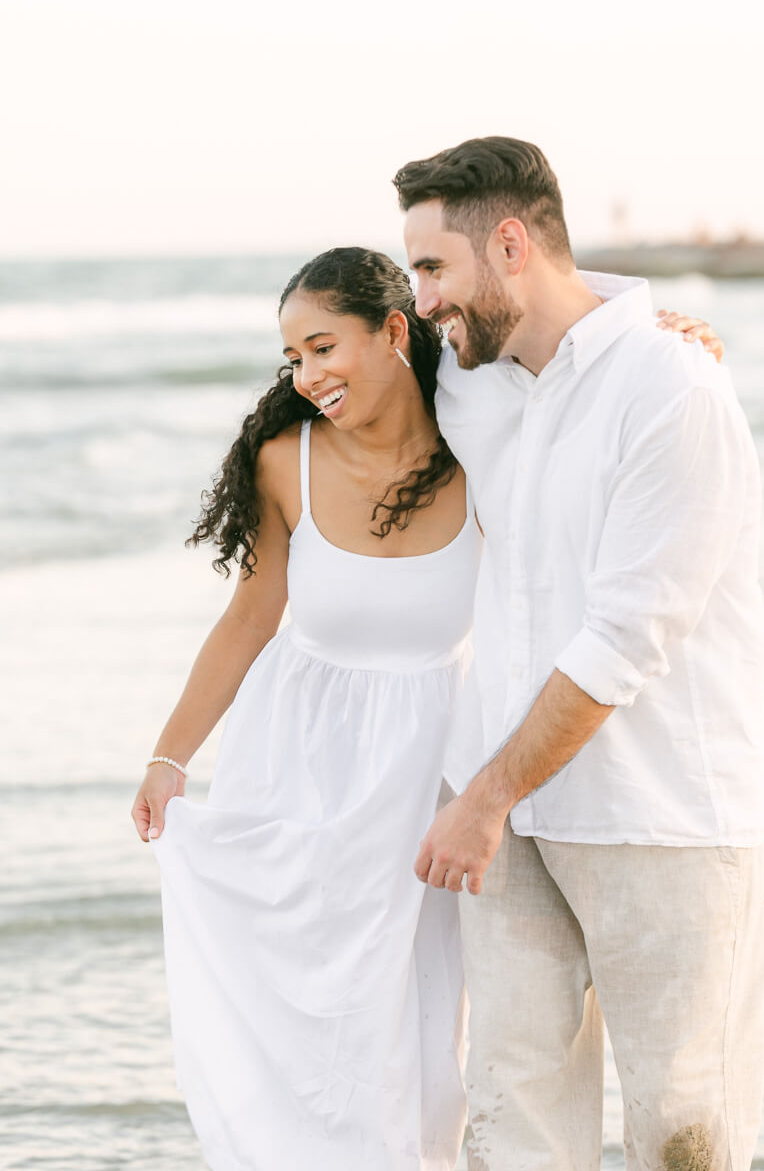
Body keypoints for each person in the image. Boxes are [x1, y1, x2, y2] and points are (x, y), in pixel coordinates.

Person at [131, 244, 720, 1170]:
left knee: (424, 1031)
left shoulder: (484, 438)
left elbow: (558, 353)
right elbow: (251, 616)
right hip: (298, 763)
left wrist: (652, 340)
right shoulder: (288, 460)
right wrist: (169, 759)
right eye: (293, 358)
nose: (308, 374)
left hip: (437, 767)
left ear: (394, 330)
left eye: (323, 346)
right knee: (301, 1010)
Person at [395, 137, 764, 1171]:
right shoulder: (468, 378)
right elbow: (328, 356)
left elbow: (622, 639)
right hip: (512, 827)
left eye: (431, 267)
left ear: (508, 244)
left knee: (681, 1135)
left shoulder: (671, 390)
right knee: (511, 1127)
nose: (419, 298)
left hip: (660, 817)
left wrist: (477, 800)